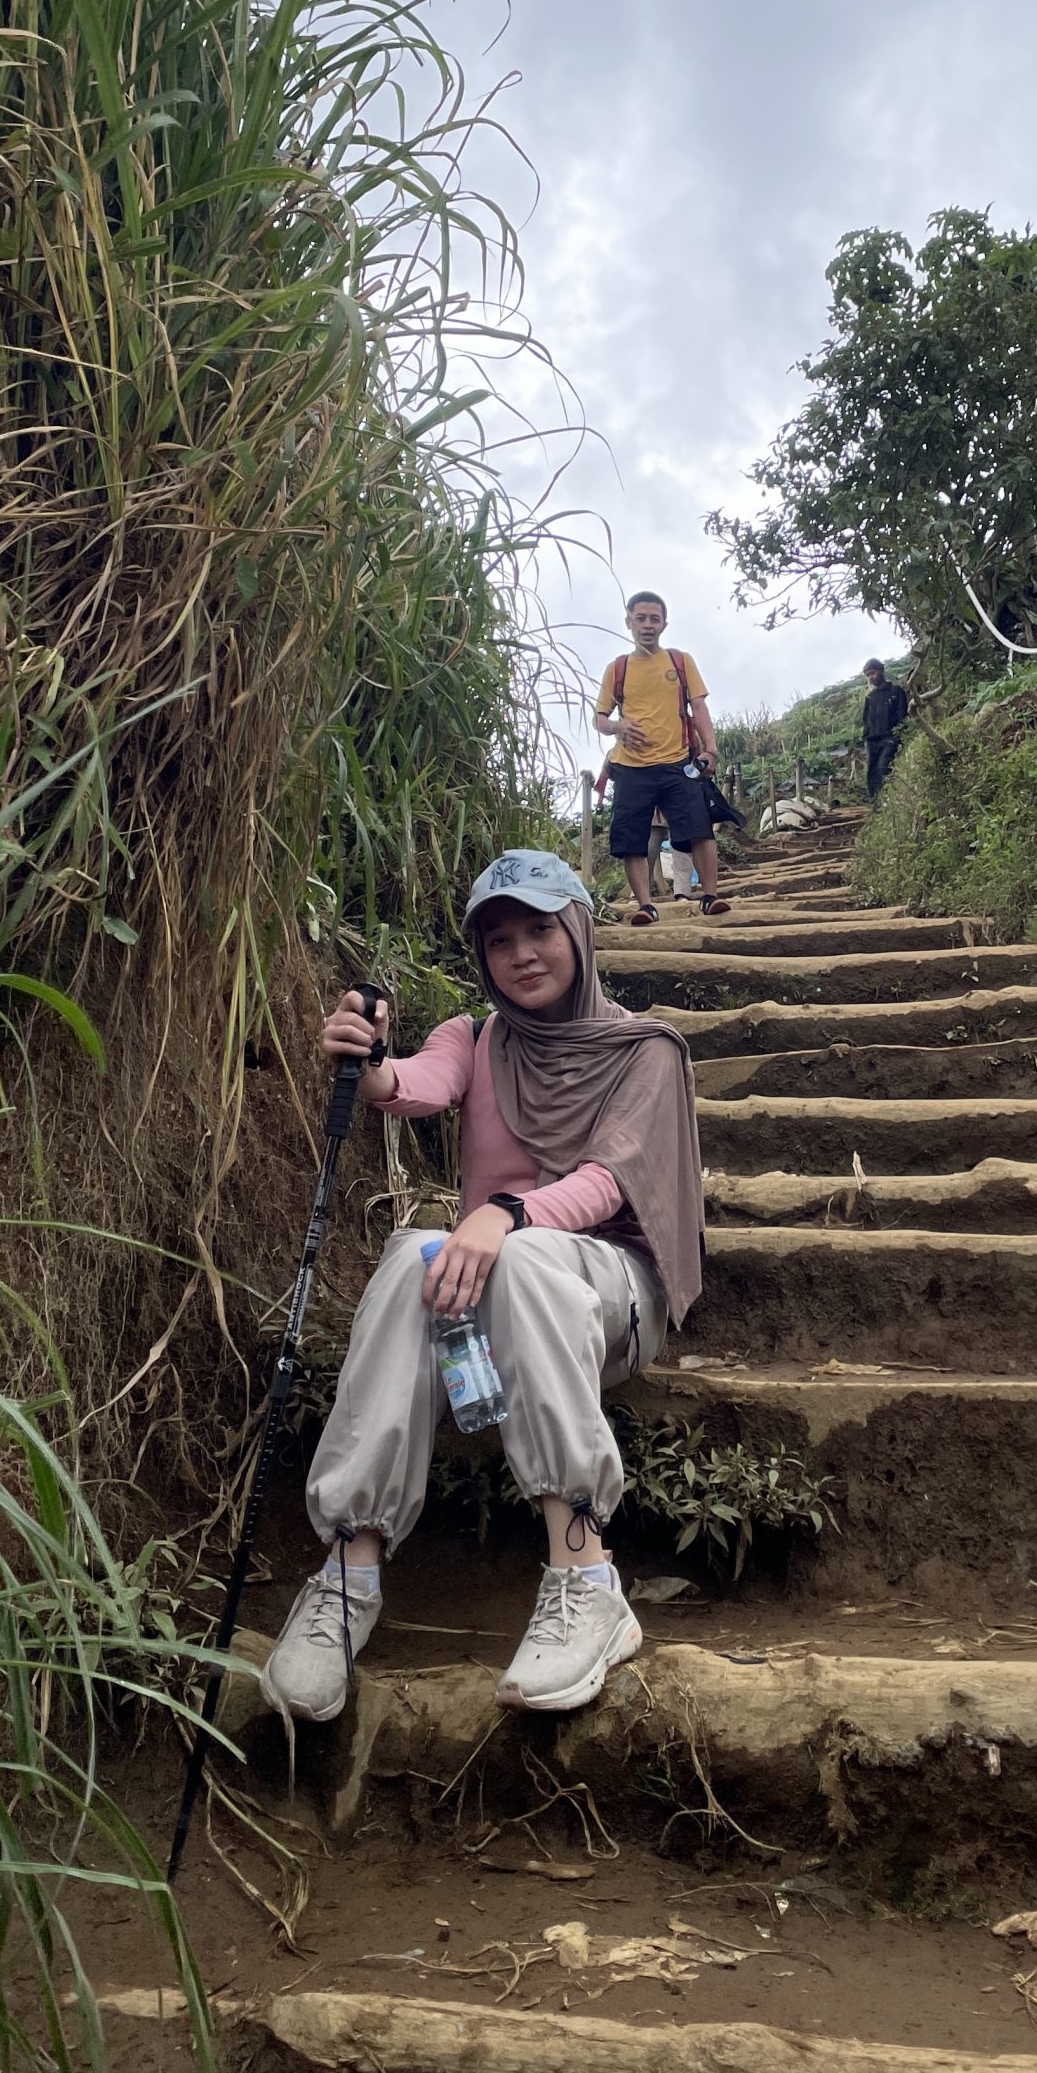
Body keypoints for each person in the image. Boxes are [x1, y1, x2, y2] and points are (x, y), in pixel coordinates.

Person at [261, 849, 704, 1724]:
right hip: (484, 1306)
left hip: (605, 1299)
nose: (522, 953)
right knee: (409, 1253)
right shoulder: (474, 1037)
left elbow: (608, 1182)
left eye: (541, 928)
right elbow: (411, 1087)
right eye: (500, 939)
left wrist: (505, 1213)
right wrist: (371, 1055)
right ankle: (348, 1575)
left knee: (520, 1254)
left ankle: (584, 1576)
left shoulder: (643, 1050)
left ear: (577, 928)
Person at [594, 591, 730, 922]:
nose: (648, 625)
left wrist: (710, 748)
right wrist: (618, 726)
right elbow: (600, 719)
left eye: (655, 619)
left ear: (664, 624)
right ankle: (645, 906)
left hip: (678, 764)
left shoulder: (679, 661)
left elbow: (698, 705)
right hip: (631, 767)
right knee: (632, 840)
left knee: (700, 829)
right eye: (641, 618)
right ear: (629, 622)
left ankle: (710, 897)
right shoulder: (618, 669)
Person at [861, 658, 909, 800]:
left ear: (881, 671)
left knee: (883, 769)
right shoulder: (870, 697)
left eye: (873, 673)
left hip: (889, 738)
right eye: (868, 674)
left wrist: (898, 736)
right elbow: (866, 720)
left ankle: (886, 804)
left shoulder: (896, 691)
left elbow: (902, 716)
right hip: (872, 741)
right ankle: (875, 806)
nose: (871, 677)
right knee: (871, 774)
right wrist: (866, 737)